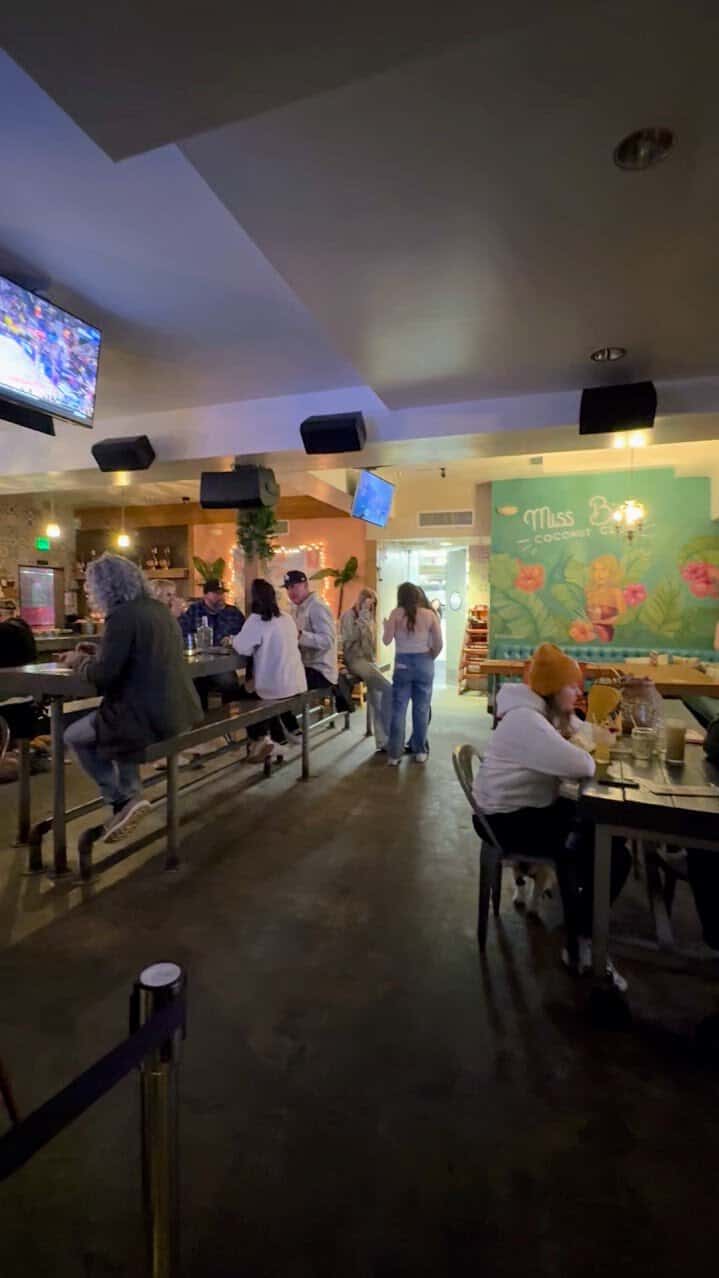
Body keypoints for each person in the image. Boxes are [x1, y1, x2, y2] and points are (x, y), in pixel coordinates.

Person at [473, 642, 631, 990]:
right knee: (604, 851)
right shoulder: (528, 722)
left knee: (605, 835)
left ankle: (581, 928)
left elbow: (586, 735)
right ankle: (582, 943)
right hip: (505, 820)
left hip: (521, 806)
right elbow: (583, 764)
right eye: (572, 686)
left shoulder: (539, 715)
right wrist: (577, 737)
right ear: (553, 688)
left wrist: (575, 727)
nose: (579, 692)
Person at [61, 554, 202, 843]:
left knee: (75, 735)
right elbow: (134, 655)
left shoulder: (121, 615)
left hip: (144, 716)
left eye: (91, 587)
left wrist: (78, 660)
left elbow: (104, 675)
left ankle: (120, 800)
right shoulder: (158, 610)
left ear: (105, 587)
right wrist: (97, 650)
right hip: (179, 710)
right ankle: (130, 797)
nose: (89, 593)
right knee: (113, 719)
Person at [230, 579, 307, 762]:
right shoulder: (286, 618)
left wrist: (231, 640)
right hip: (296, 683)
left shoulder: (256, 620)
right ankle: (287, 734)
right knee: (263, 695)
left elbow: (242, 648)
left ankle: (262, 739)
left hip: (274, 688)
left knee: (240, 697)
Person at [383, 582, 443, 766]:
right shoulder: (430, 614)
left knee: (398, 710)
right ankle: (420, 751)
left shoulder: (395, 614)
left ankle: (394, 755)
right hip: (424, 662)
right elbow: (439, 643)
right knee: (421, 709)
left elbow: (386, 641)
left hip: (402, 664)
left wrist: (387, 626)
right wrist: (429, 657)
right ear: (417, 596)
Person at [282, 571, 338, 735]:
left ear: (305, 585)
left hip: (321, 671)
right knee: (277, 679)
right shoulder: (298, 609)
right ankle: (287, 730)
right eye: (288, 588)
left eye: (294, 586)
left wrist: (300, 636)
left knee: (279, 683)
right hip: (306, 667)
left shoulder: (317, 608)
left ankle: (290, 731)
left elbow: (328, 641)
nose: (291, 592)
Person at [179, 578, 245, 709]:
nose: (221, 596)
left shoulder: (233, 612)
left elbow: (245, 636)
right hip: (198, 663)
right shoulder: (193, 611)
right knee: (192, 686)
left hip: (223, 664)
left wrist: (232, 640)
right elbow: (181, 634)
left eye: (222, 593)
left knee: (229, 683)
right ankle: (201, 723)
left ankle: (230, 720)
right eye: (216, 593)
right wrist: (195, 642)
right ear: (205, 594)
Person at [340, 588, 392, 753]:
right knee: (387, 688)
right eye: (367, 605)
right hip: (354, 660)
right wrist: (361, 622)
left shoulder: (369, 618)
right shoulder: (348, 616)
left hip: (367, 661)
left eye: (372, 606)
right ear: (360, 601)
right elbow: (348, 641)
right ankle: (387, 738)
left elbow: (369, 646)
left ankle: (383, 740)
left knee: (377, 697)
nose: (369, 609)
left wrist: (367, 624)